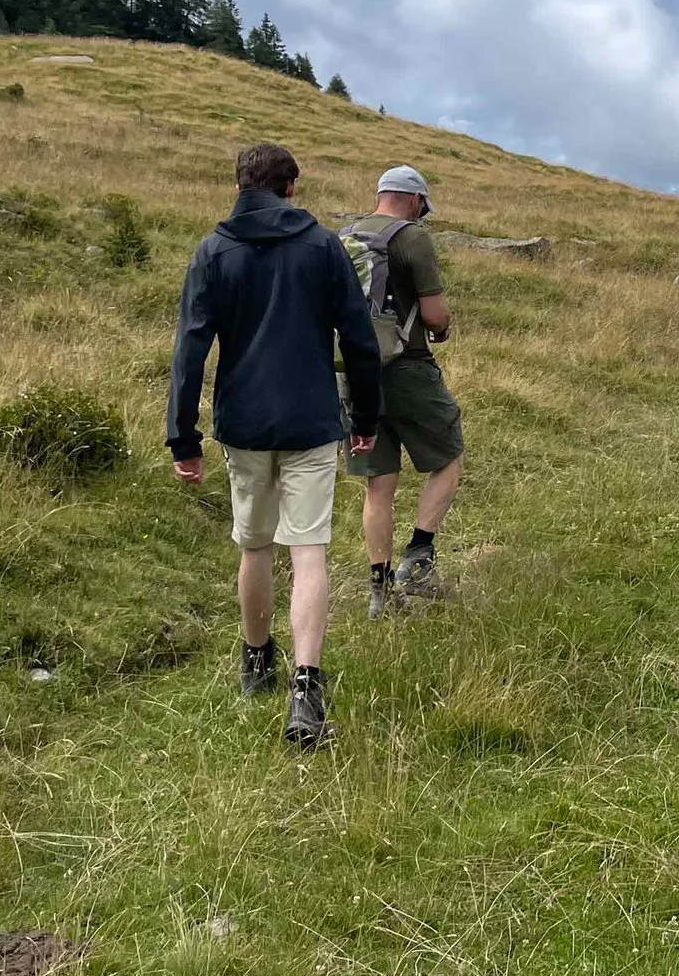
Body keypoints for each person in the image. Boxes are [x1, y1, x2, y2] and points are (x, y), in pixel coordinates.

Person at [167, 143, 382, 750]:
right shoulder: (322, 247)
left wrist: (183, 434)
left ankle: (257, 662)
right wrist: (366, 415)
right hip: (311, 423)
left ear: (240, 185)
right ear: (291, 188)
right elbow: (359, 340)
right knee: (308, 552)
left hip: (244, 425)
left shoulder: (213, 251)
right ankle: (306, 690)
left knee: (254, 546)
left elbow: (190, 348)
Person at [343, 164, 464, 617]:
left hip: (353, 374)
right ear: (414, 201)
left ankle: (380, 592)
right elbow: (433, 315)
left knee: (380, 485)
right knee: (449, 457)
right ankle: (419, 557)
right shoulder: (411, 237)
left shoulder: (343, 236)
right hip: (407, 369)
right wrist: (443, 328)